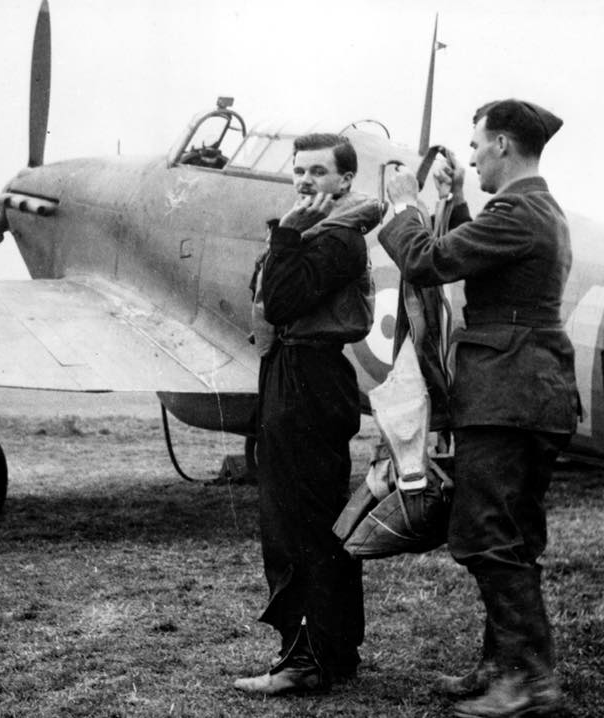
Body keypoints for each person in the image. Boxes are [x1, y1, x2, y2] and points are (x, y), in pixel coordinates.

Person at [378, 100, 579, 718]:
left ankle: (526, 683)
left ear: (502, 146)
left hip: (507, 394)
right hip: (527, 392)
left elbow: (428, 262)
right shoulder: (537, 211)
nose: (468, 156)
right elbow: (482, 259)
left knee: (484, 534)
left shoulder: (519, 211)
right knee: (513, 535)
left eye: (475, 147)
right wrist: (458, 202)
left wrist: (407, 207)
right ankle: (504, 667)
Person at [235, 133, 381, 695]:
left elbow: (281, 301)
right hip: (300, 376)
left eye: (318, 172)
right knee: (312, 520)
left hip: (307, 379)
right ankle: (333, 649)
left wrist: (287, 232)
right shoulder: (324, 233)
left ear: (345, 181)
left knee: (297, 524)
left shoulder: (337, 238)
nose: (304, 182)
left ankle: (304, 659)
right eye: (299, 171)